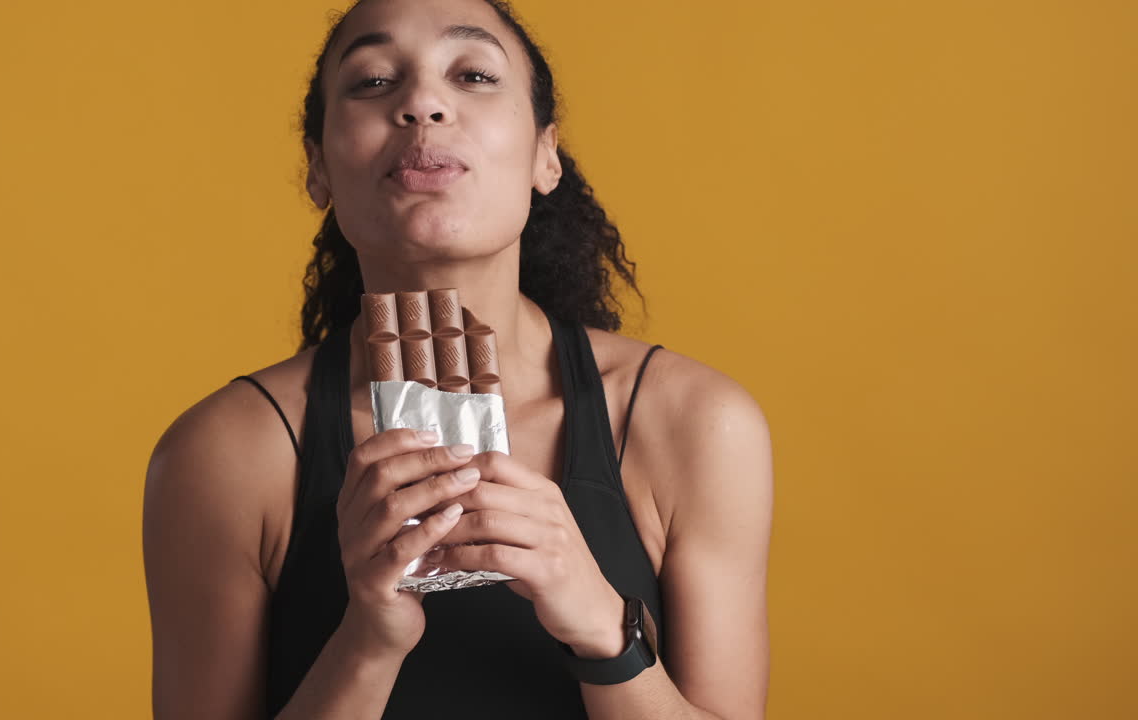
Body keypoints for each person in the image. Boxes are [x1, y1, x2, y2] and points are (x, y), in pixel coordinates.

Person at [142, 0, 774, 718]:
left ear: (546, 154)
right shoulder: (226, 452)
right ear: (318, 166)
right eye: (375, 82)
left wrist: (602, 626)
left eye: (472, 75)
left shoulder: (694, 423)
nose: (422, 104)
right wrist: (369, 639)